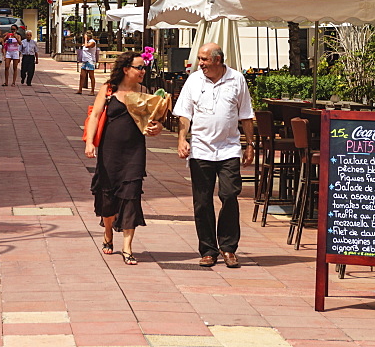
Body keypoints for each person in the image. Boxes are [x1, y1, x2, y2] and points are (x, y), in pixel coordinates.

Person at [174, 42, 254, 269]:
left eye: (204, 59)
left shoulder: (236, 79)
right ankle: (208, 250)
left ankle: (228, 247)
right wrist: (182, 140)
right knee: (202, 201)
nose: (200, 64)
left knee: (229, 195)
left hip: (229, 148)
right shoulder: (194, 80)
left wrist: (250, 144)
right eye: (200, 59)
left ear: (218, 60)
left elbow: (246, 114)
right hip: (200, 148)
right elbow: (183, 114)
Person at [86, 51, 164, 265]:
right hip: (109, 151)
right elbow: (94, 116)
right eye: (139, 67)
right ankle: (108, 232)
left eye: (143, 67)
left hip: (135, 151)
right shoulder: (109, 89)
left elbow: (155, 120)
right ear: (125, 69)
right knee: (108, 196)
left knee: (131, 196)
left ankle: (128, 247)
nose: (143, 71)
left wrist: (157, 127)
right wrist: (90, 142)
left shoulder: (145, 92)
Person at [77, 31, 98, 95]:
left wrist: (85, 39)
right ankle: (80, 90)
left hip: (90, 61)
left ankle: (92, 91)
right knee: (82, 75)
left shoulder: (92, 42)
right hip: (85, 60)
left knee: (91, 76)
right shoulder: (88, 42)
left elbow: (87, 46)